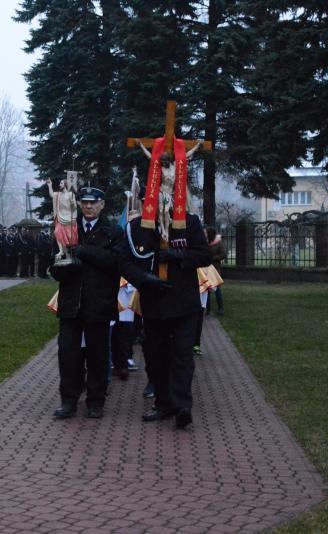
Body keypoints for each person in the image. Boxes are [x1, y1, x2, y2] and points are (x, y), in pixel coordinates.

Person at [120, 140, 210, 430]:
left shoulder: (189, 223)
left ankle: (182, 406)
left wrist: (179, 256)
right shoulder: (138, 227)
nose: (164, 195)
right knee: (155, 356)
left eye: (169, 189)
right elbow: (125, 262)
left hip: (184, 303)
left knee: (182, 355)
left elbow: (205, 255)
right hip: (154, 303)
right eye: (158, 189)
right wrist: (143, 279)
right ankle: (163, 403)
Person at [49, 186, 122, 419]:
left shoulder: (112, 231)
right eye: (84, 202)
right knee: (67, 353)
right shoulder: (68, 227)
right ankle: (68, 400)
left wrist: (83, 252)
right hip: (71, 302)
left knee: (97, 355)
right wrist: (61, 266)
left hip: (99, 302)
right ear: (79, 204)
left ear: (102, 205)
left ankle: (95, 401)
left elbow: (114, 261)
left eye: (93, 202)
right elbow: (54, 263)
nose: (88, 206)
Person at [46, 174, 79, 261]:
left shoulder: (71, 194)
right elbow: (51, 194)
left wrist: (73, 204)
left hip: (68, 218)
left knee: (67, 238)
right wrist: (50, 185)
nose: (59, 185)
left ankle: (68, 255)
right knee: (57, 232)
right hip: (60, 217)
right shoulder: (58, 194)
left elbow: (74, 207)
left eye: (61, 183)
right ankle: (61, 251)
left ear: (65, 184)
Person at [206, 226, 226, 315]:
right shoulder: (206, 242)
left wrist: (213, 258)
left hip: (215, 269)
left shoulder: (218, 243)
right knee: (206, 289)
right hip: (206, 268)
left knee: (216, 289)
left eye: (207, 233)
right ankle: (208, 309)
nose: (205, 234)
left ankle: (221, 308)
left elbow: (223, 254)